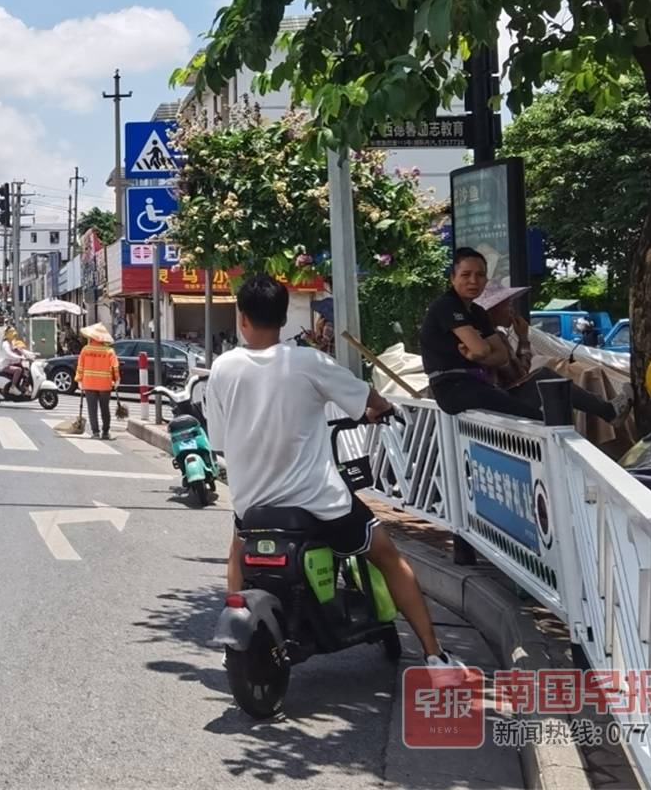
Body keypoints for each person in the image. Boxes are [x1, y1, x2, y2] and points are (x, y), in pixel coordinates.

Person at [208, 275, 465, 671]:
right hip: (318, 502)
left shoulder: (222, 368)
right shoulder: (308, 360)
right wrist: (380, 409)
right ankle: (435, 654)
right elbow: (368, 397)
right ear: (283, 319)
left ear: (242, 319)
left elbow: (219, 440)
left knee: (237, 549)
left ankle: (233, 644)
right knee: (388, 555)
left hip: (252, 503)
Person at [422, 249, 572, 422]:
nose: (473, 281)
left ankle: (606, 412)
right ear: (452, 278)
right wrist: (485, 350)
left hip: (481, 386)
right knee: (539, 420)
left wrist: (478, 354)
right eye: (466, 275)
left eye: (480, 275)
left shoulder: (478, 312)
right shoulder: (447, 305)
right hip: (455, 388)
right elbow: (484, 350)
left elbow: (499, 357)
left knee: (548, 392)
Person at [481, 284, 622, 422]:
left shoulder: (488, 335)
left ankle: (606, 410)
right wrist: (523, 339)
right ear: (492, 311)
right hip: (505, 405)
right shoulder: (495, 338)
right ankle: (609, 411)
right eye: (508, 306)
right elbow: (520, 374)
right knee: (545, 375)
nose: (512, 311)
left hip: (498, 401)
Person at [75, 323, 121, 439]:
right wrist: (117, 380)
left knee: (92, 409)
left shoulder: (85, 350)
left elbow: (80, 366)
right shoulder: (109, 351)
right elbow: (115, 367)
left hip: (89, 383)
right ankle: (105, 432)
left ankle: (95, 432)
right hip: (105, 384)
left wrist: (79, 380)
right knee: (105, 408)